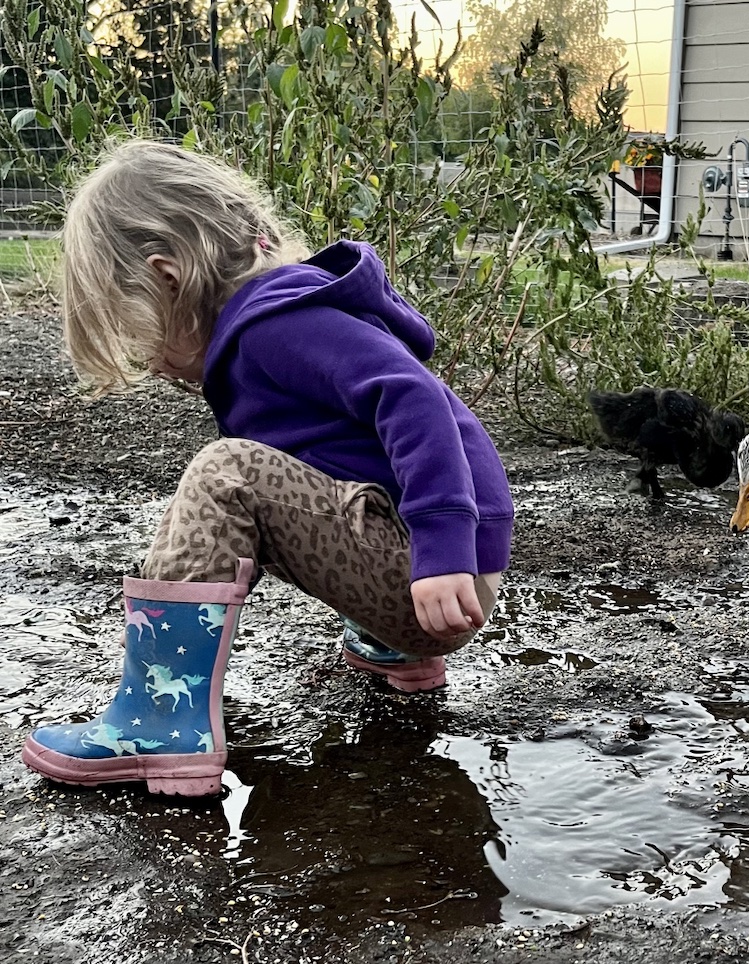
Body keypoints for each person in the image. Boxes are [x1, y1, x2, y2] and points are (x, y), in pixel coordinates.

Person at [21, 139, 514, 797]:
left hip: (433, 578)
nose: (153, 363)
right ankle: (393, 646)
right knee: (279, 463)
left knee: (228, 475)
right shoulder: (280, 319)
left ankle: (162, 721)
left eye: (141, 336)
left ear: (169, 278)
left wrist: (444, 548)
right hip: (433, 586)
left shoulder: (275, 325)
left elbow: (413, 398)